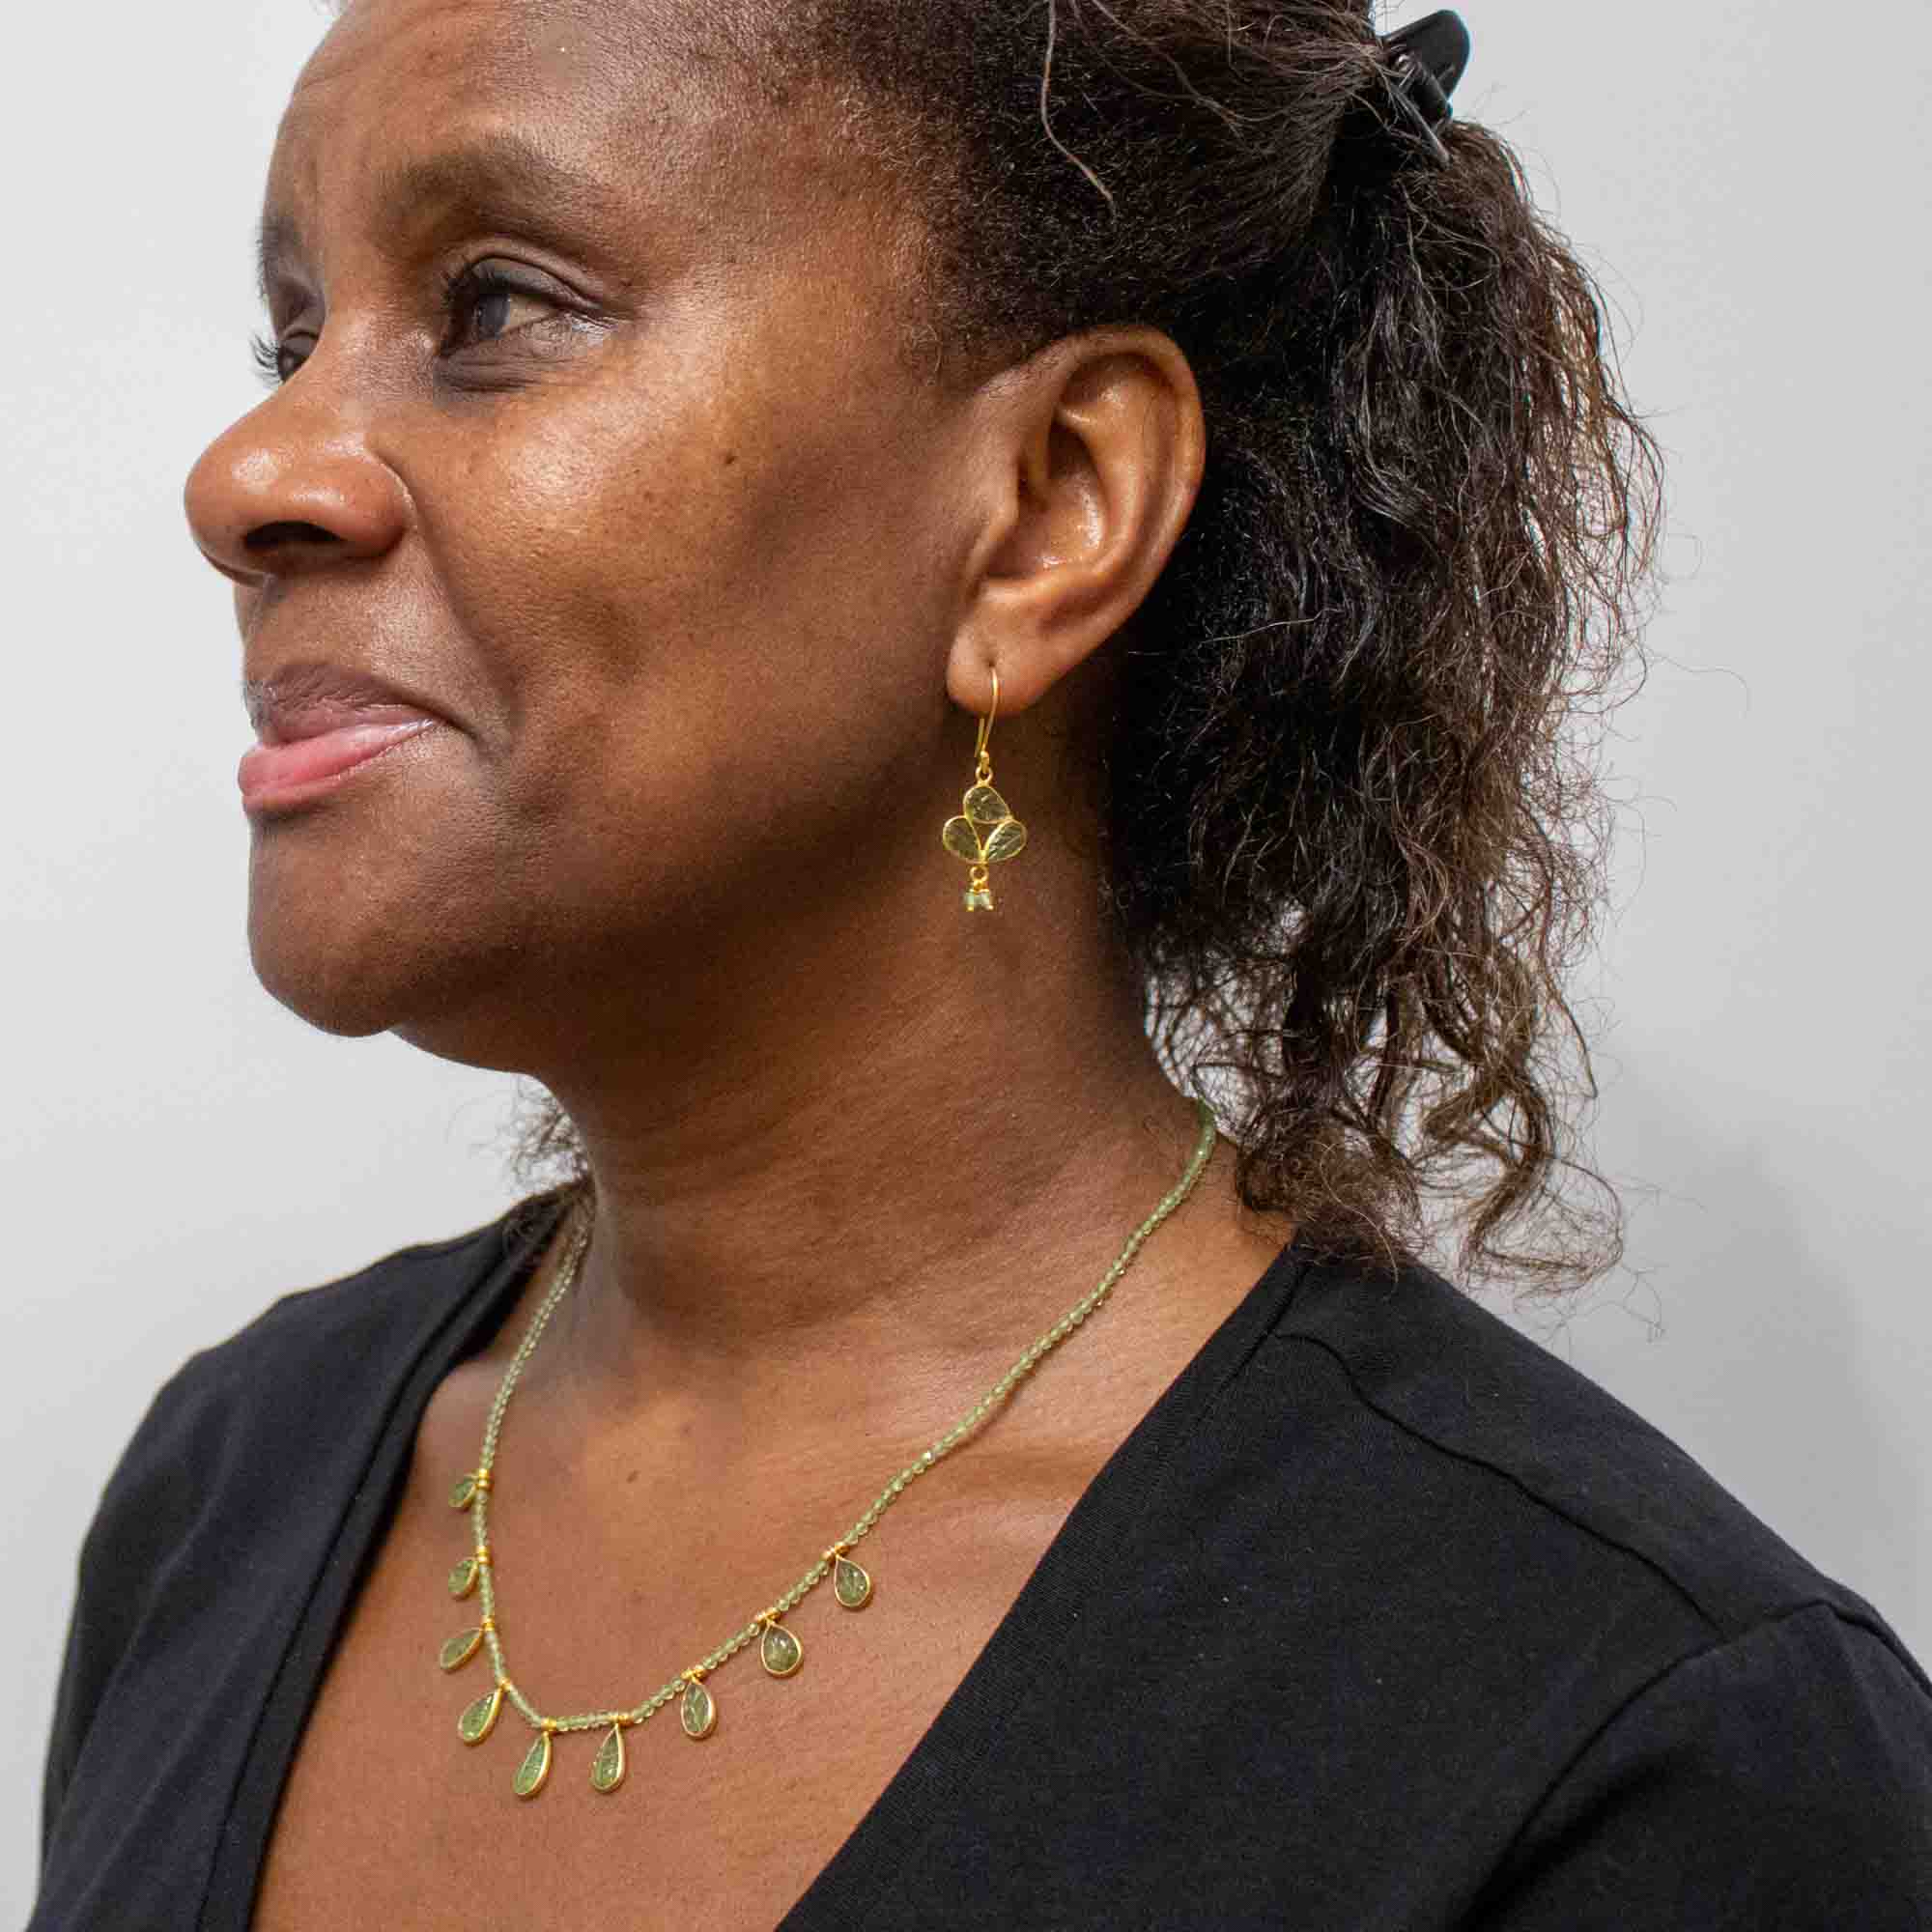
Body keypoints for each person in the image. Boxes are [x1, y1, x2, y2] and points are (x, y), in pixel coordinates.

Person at [34, 0, 1932, 1925]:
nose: (252, 469)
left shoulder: (1631, 1748)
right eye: (290, 337)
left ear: (1048, 512)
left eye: (498, 305)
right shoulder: (232, 1486)